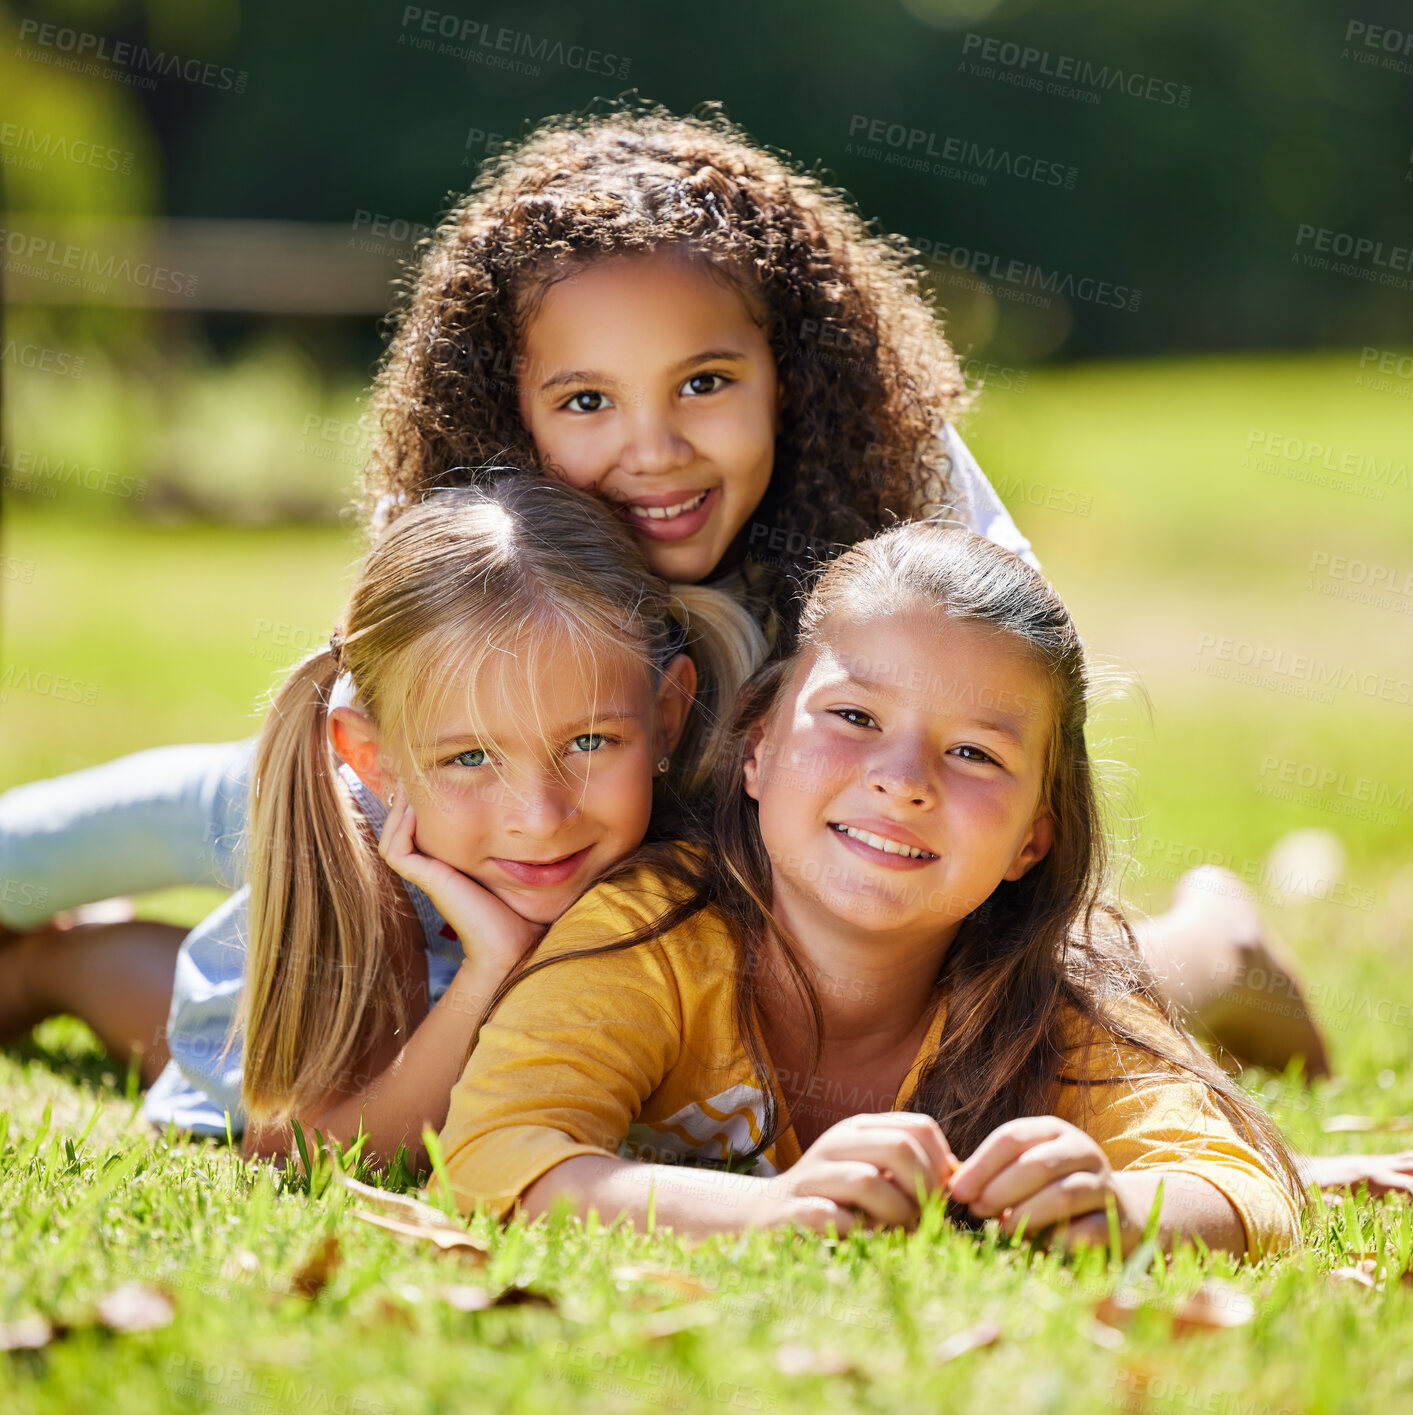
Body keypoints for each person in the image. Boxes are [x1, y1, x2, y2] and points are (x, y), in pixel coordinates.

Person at [0, 102, 1326, 1108]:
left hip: (597, 855)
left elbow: (1016, 704)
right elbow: (375, 761)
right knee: (149, 912)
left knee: (1062, 993)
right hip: (392, 812)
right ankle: (53, 945)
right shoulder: (475, 516)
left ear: (789, 370)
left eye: (704, 383)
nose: (655, 449)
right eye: (587, 402)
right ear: (512, 408)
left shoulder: (893, 489)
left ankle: (1210, 940)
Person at [437, 524, 1306, 1258]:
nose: (903, 781)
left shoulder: (1057, 991)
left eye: (974, 752)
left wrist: (1122, 1208)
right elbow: (487, 1157)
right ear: (756, 750)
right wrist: (775, 1210)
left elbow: (1246, 1187)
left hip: (1061, 949)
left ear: (1030, 839)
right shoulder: (650, 934)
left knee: (1162, 965)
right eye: (854, 717)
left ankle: (1220, 931)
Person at [137, 474, 763, 1164]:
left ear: (667, 718)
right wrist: (490, 967)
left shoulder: (699, 842)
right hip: (250, 1015)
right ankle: (49, 966)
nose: (541, 816)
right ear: (376, 760)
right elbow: (299, 1151)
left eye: (589, 742)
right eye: (470, 757)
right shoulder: (364, 865)